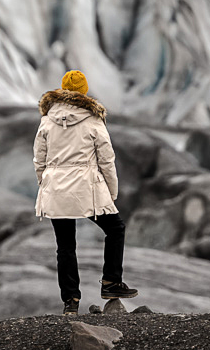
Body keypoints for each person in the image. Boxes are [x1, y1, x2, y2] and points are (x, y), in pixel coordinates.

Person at [33, 69, 136, 314]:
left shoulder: (47, 120)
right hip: (86, 188)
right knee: (115, 228)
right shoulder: (93, 120)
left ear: (61, 90)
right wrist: (111, 192)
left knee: (65, 245)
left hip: (56, 188)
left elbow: (39, 159)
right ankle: (111, 282)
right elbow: (107, 159)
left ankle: (70, 301)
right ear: (84, 92)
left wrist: (46, 185)